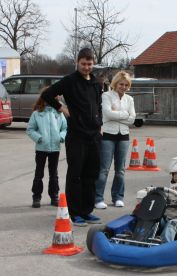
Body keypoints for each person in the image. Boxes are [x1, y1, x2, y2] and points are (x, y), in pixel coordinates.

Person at [41, 48, 103, 227]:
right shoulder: (69, 81)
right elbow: (47, 95)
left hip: (94, 135)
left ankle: (87, 210)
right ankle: (74, 212)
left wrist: (100, 125)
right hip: (76, 135)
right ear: (77, 62)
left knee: (91, 174)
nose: (86, 67)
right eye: (83, 64)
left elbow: (98, 105)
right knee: (76, 174)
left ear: (93, 63)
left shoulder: (97, 83)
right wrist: (63, 109)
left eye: (89, 64)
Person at [94, 71, 136, 209]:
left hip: (123, 136)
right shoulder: (106, 95)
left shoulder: (129, 99)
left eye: (126, 85)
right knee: (104, 169)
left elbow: (133, 119)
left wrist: (116, 115)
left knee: (120, 170)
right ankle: (98, 198)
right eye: (121, 84)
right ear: (115, 83)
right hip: (108, 135)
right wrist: (124, 115)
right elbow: (107, 113)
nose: (123, 87)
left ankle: (118, 197)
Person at [26, 89, 67, 208]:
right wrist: (38, 138)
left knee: (53, 173)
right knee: (39, 173)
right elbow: (30, 129)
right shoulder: (37, 113)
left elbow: (65, 128)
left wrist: (61, 136)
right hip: (41, 148)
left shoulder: (59, 113)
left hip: (55, 148)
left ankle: (54, 196)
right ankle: (36, 197)